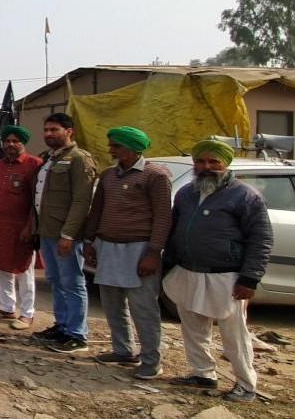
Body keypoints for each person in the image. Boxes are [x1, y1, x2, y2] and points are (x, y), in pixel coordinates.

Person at [163, 139, 272, 403]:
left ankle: (246, 385)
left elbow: (261, 239)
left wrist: (250, 278)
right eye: (201, 161)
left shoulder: (245, 195)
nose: (207, 167)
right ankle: (203, 373)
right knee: (192, 326)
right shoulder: (187, 193)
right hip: (188, 270)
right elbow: (176, 229)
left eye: (214, 162)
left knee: (234, 334)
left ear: (226, 164)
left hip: (227, 275)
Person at [83, 126, 172, 379]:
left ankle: (151, 360)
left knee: (143, 306)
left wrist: (154, 252)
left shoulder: (155, 175)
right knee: (112, 303)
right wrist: (90, 241)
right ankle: (123, 350)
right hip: (108, 246)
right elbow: (97, 210)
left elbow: (163, 217)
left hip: (139, 248)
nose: (111, 149)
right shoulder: (109, 175)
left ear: (133, 148)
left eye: (116, 146)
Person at [32, 113, 97, 353]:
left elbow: (82, 201)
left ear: (69, 131)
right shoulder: (49, 159)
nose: (49, 134)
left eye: (55, 130)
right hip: (47, 231)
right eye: (46, 130)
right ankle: (62, 326)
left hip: (66, 235)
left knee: (72, 282)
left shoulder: (79, 159)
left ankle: (77, 334)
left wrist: (69, 235)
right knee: (56, 281)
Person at [0, 126, 43, 330]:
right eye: (7, 141)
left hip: (22, 227)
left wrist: (30, 226)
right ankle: (7, 308)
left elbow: (37, 200)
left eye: (15, 141)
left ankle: (27, 313)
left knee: (24, 270)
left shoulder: (35, 165)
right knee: (0, 266)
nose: (10, 145)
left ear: (24, 143)